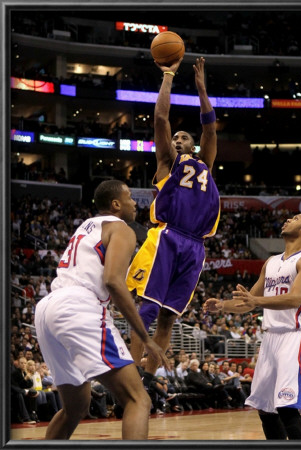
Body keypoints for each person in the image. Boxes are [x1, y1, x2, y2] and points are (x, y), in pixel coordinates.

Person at [34, 180, 168, 440]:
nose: (134, 203)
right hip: (79, 307)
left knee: (75, 407)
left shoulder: (86, 227)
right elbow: (113, 282)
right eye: (129, 197)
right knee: (138, 399)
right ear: (116, 204)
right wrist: (146, 338)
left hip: (48, 309)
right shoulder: (121, 228)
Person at [126, 56, 220, 390]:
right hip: (168, 236)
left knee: (168, 315)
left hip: (195, 245)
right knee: (148, 307)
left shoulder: (205, 162)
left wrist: (202, 91)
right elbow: (160, 117)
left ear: (193, 145)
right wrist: (168, 74)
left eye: (183, 137)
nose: (177, 140)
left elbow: (210, 127)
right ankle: (131, 375)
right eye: (175, 138)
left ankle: (150, 379)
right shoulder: (167, 162)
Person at [204, 213, 301, 440]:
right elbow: (248, 301)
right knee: (266, 410)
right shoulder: (271, 262)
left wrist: (256, 301)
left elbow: (294, 298)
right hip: (270, 338)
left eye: (296, 218)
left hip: (295, 336)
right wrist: (221, 305)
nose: (288, 220)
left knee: (288, 408)